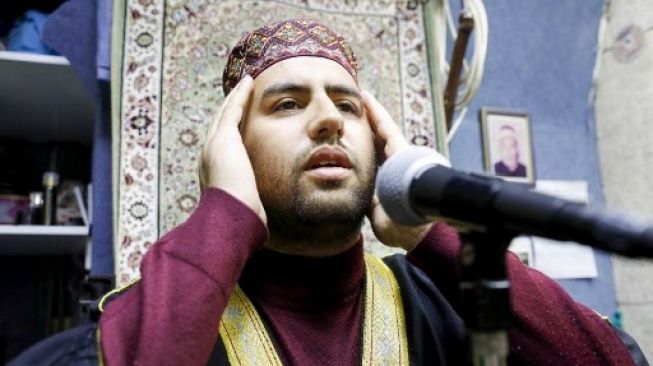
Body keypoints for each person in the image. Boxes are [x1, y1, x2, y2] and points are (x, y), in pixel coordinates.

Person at [9, 19, 647, 366]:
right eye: (286, 104)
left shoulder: (443, 303)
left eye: (346, 104)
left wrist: (435, 236)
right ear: (229, 146)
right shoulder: (153, 319)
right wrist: (224, 212)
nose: (329, 119)